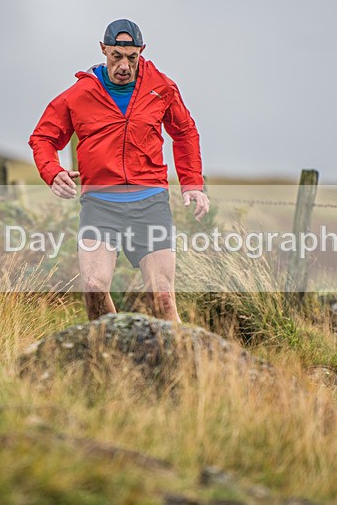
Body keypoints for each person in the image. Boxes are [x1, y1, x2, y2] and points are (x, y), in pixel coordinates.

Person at [29, 18, 209, 322]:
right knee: (94, 288)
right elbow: (43, 137)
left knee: (162, 296)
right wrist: (52, 171)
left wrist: (192, 183)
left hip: (150, 203)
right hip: (100, 205)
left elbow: (185, 131)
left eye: (132, 57)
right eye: (116, 56)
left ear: (141, 52)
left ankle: (183, 365)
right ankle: (111, 358)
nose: (124, 65)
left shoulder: (161, 87)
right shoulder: (80, 93)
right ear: (103, 50)